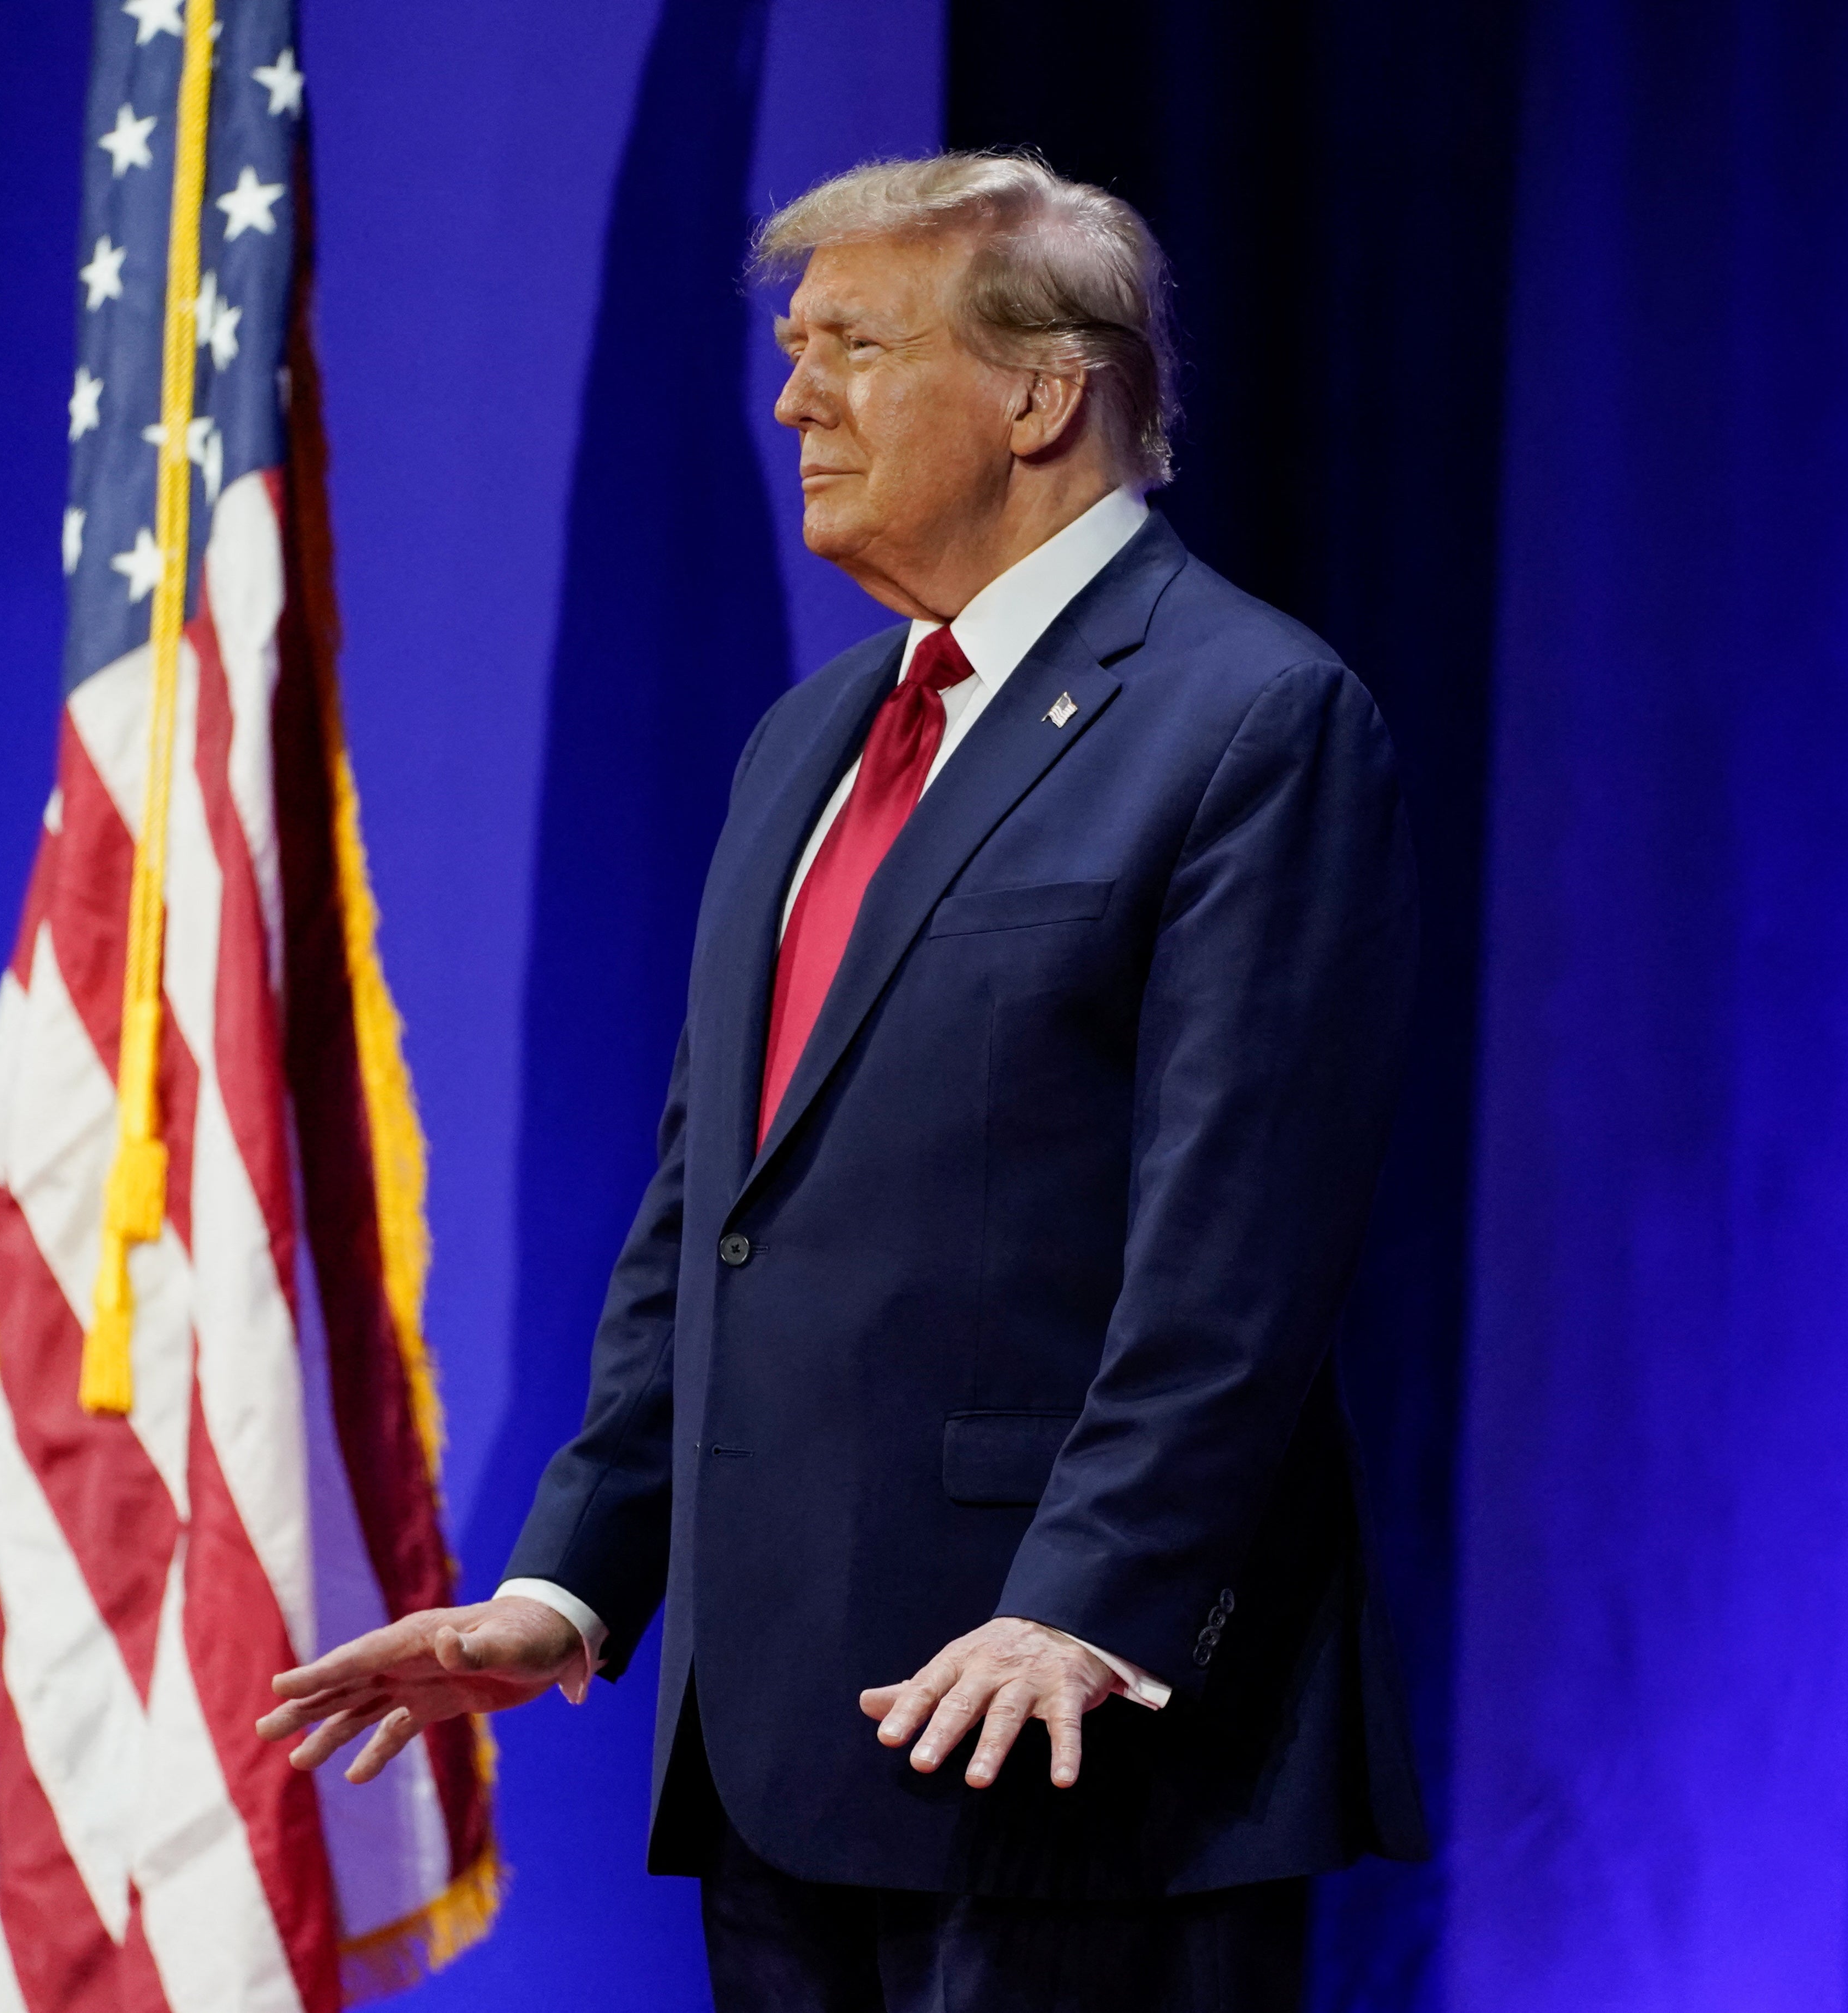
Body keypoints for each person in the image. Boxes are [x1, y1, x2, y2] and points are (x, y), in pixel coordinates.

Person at [259, 151, 1426, 2013]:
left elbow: (1240, 1249)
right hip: (783, 1738)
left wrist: (1087, 1601)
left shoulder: (1248, 716)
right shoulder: (814, 736)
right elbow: (711, 1214)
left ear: (1043, 395)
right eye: (792, 349)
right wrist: (569, 1583)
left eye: (851, 348)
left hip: (1069, 1736)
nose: (793, 397)